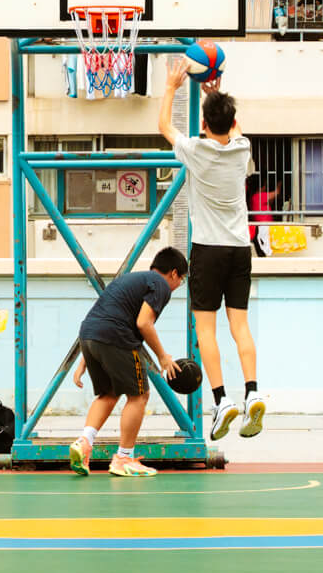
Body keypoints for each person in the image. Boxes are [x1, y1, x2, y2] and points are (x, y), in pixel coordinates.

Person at [159, 60, 265, 443]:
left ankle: (222, 400)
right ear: (231, 122)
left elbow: (164, 128)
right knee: (241, 326)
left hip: (208, 248)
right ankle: (253, 390)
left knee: (206, 329)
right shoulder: (242, 148)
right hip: (240, 248)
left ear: (204, 124)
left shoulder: (194, 149)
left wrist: (172, 87)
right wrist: (215, 95)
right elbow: (233, 128)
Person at [67, 247, 188, 478]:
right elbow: (144, 323)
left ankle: (84, 443)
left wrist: (85, 360)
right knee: (139, 395)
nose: (177, 284)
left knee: (108, 393)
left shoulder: (132, 280)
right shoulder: (159, 284)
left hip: (89, 335)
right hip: (116, 337)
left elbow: (104, 316)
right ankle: (124, 457)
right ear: (173, 273)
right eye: (180, 280)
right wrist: (163, 356)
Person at [248, 175, 280, 257]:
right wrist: (280, 182)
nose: (266, 187)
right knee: (266, 248)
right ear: (261, 186)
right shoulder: (260, 196)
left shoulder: (254, 196)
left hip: (260, 226)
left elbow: (270, 202)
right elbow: (277, 192)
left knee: (263, 246)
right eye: (265, 184)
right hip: (264, 226)